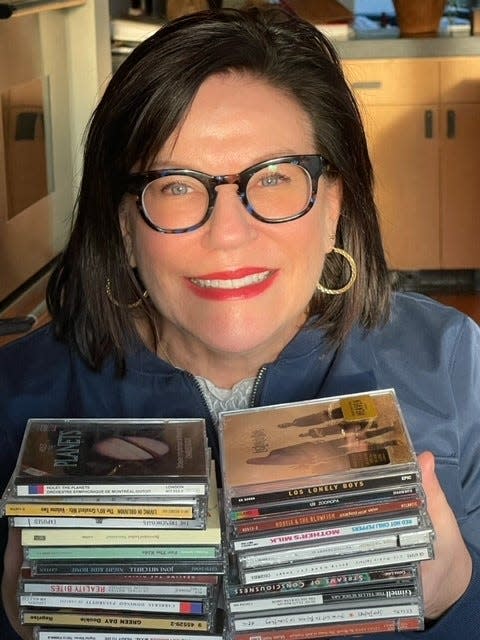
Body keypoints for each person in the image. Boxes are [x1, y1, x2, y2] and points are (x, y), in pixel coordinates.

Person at [0, 6, 478, 639]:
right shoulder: (14, 393)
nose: (227, 235)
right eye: (175, 185)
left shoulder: (455, 364)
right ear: (122, 219)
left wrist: (449, 601)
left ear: (335, 200)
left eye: (275, 177)